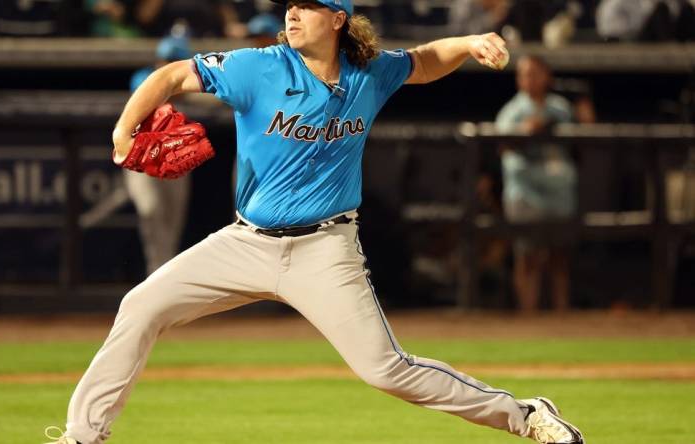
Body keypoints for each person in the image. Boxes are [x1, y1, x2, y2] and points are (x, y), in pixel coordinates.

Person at [44, 2, 584, 443]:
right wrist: (124, 130)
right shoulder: (259, 66)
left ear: (339, 19)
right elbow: (169, 76)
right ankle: (82, 436)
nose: (293, 14)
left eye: (309, 6)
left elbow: (422, 60)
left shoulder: (368, 72)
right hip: (245, 243)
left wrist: (468, 45)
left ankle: (525, 414)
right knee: (140, 306)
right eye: (291, 5)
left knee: (384, 370)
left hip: (325, 250)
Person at [496, 55, 578, 314]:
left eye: (534, 73)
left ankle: (561, 316)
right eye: (524, 74)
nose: (529, 79)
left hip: (559, 193)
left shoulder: (560, 109)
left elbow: (580, 146)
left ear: (547, 76)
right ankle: (528, 318)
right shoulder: (512, 112)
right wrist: (525, 132)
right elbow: (502, 147)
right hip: (526, 193)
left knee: (559, 258)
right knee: (528, 257)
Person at [125, 36, 193, 275]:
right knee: (151, 211)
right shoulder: (145, 78)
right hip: (143, 161)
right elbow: (153, 95)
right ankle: (155, 277)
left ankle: (162, 278)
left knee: (173, 224)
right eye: (166, 60)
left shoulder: (192, 80)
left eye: (175, 61)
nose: (168, 66)